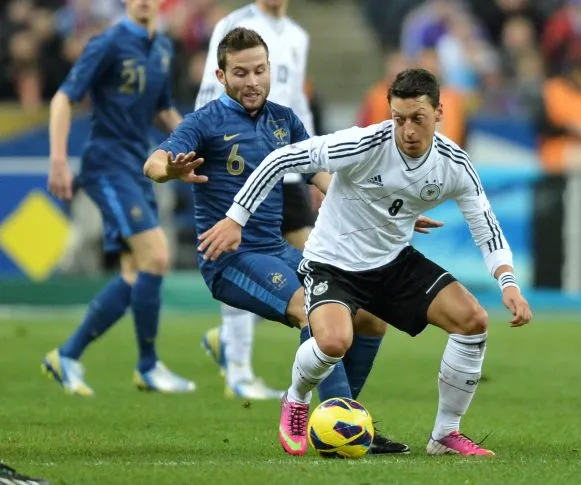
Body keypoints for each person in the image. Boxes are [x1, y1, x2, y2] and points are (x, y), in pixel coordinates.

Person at [200, 68, 534, 456]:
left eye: (418, 119)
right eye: (399, 118)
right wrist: (235, 218)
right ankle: (295, 400)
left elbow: (486, 226)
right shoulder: (362, 144)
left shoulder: (454, 164)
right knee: (333, 342)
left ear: (439, 113)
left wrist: (507, 282)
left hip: (392, 263)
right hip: (332, 263)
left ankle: (444, 434)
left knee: (473, 321)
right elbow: (280, 159)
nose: (407, 130)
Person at [144, 27, 413, 454]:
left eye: (259, 70)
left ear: (270, 70)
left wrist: (386, 208)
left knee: (369, 317)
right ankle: (336, 422)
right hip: (230, 258)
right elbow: (155, 162)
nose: (251, 82)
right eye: (240, 73)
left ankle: (344, 419)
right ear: (221, 75)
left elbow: (323, 175)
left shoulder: (284, 120)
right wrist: (169, 170)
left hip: (277, 250)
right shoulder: (204, 122)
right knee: (314, 310)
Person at [42, 0, 195, 395]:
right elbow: (63, 98)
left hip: (138, 164)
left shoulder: (161, 47)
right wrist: (58, 161)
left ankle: (67, 356)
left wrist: (195, 143)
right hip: (107, 165)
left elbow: (162, 110)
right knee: (157, 255)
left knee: (135, 273)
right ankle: (147, 365)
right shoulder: (108, 43)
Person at [194, 0, 324, 401]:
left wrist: (314, 164)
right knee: (241, 251)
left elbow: (298, 103)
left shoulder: (298, 36)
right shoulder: (234, 25)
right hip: (239, 166)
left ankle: (236, 344)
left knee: (315, 271)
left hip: (287, 167)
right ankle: (238, 366)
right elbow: (207, 94)